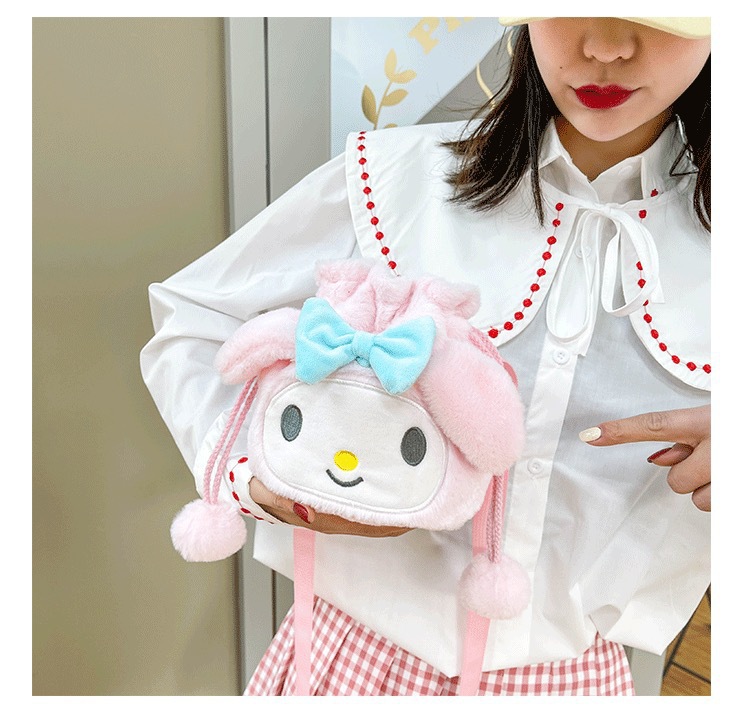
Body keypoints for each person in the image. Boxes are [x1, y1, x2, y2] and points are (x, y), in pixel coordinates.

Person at [140, 17, 711, 695]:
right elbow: (195, 318)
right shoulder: (396, 180)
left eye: (660, 12)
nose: (607, 46)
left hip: (575, 681)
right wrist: (254, 477)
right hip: (344, 663)